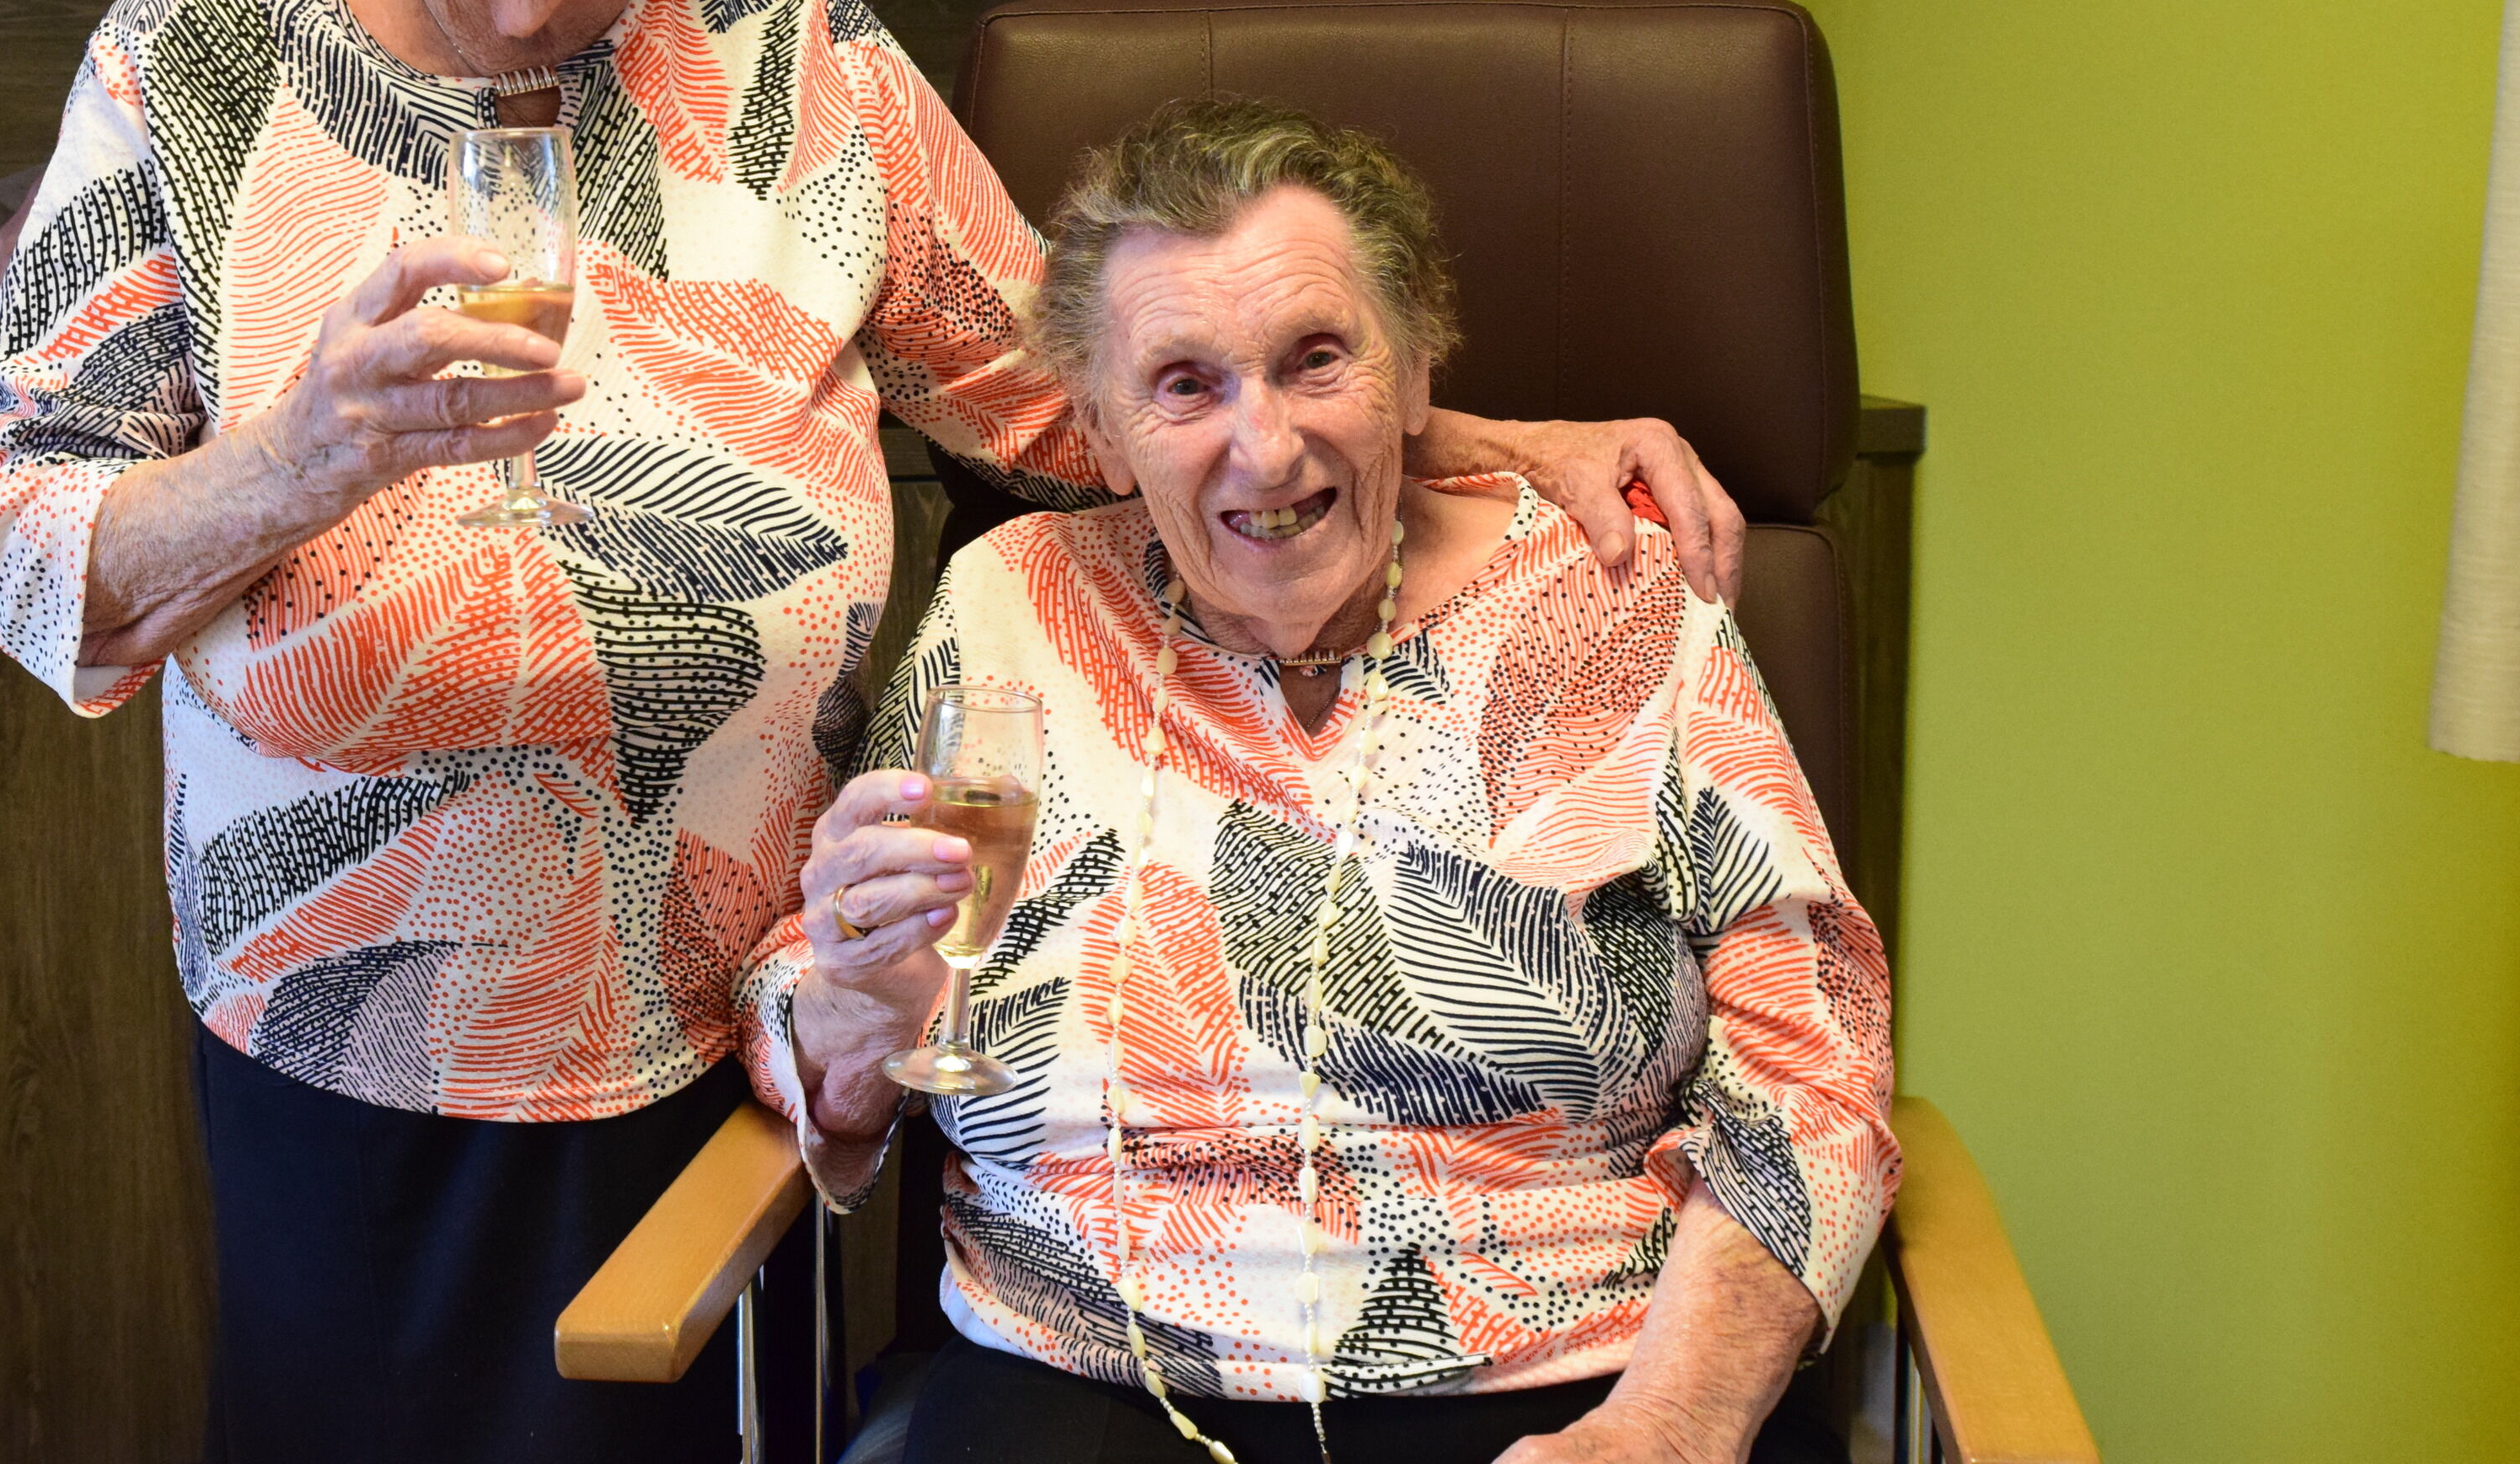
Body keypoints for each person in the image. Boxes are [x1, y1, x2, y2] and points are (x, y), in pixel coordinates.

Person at [0, 0, 1750, 1463]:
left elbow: (1090, 393)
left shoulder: (791, 42)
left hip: (772, 1037)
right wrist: (304, 456)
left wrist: (1448, 425)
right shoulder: (190, 57)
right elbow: (27, 542)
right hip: (362, 1043)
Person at [748, 98, 1895, 1464]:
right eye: (1185, 385)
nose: (1268, 448)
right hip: (1076, 1378)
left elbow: (1814, 1053)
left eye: (1316, 360)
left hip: (1574, 1384)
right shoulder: (1010, 603)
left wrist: (1672, 1422)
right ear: (1102, 433)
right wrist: (854, 1006)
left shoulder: (1614, 591)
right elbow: (825, 984)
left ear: (1416, 378)